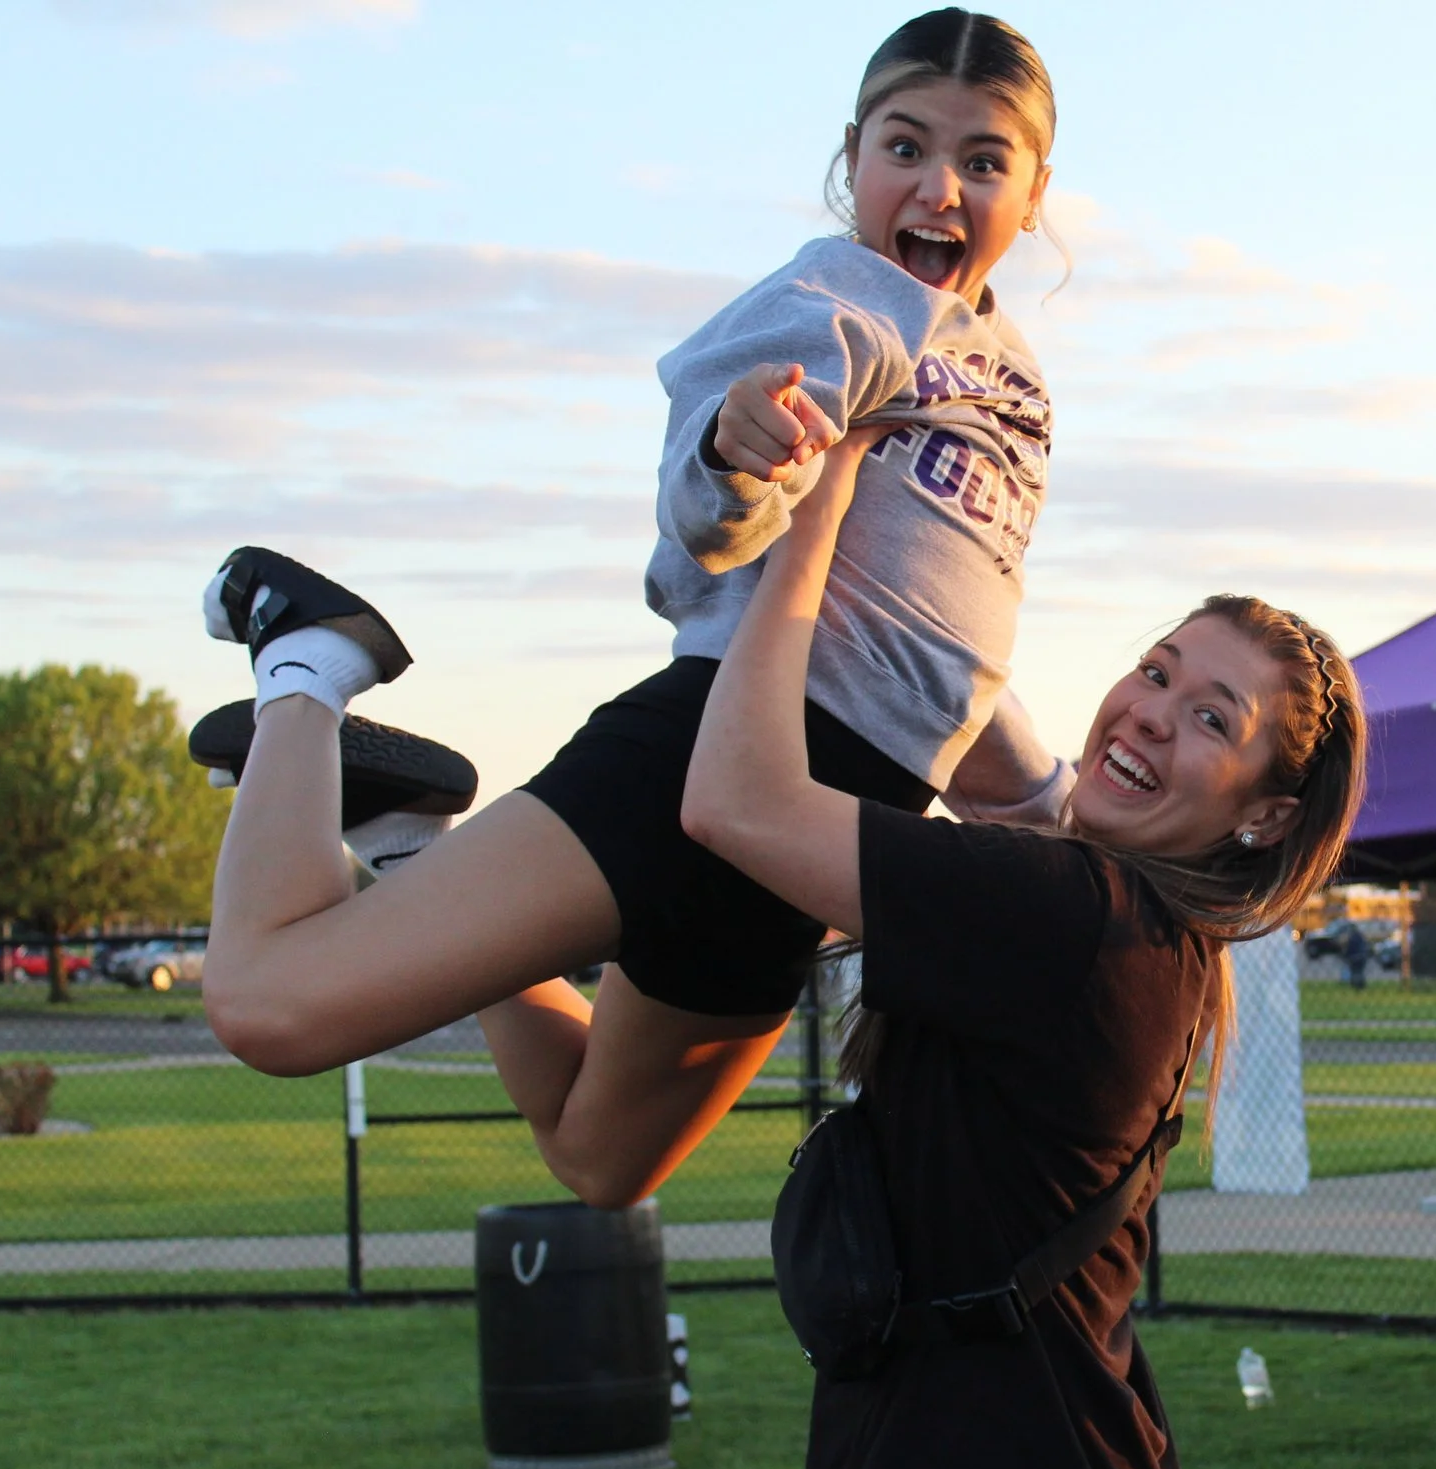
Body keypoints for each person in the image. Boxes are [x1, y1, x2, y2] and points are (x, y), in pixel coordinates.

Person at [193, 9, 1076, 1211]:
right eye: (904, 147)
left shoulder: (1011, 376)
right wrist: (740, 452)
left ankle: (407, 840)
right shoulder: (844, 297)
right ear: (853, 161)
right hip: (706, 763)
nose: (938, 186)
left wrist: (1050, 813)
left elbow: (949, 646)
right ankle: (305, 653)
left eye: (983, 160)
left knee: (604, 1160)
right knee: (268, 1006)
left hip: (813, 840)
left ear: (1033, 192)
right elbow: (709, 519)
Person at [680, 430, 1368, 1469]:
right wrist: (933, 562)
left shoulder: (1075, 915)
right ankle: (412, 843)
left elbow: (733, 801)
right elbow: (1020, 769)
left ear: (1264, 814)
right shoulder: (1136, 918)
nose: (1149, 714)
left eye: (1208, 716)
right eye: (1155, 670)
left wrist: (819, 513)